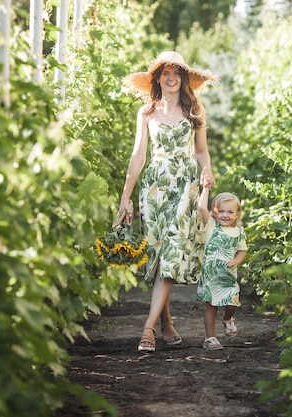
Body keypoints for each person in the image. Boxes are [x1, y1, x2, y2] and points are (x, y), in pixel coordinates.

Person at [113, 51, 218, 352]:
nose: (171, 77)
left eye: (176, 72)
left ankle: (148, 329)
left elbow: (200, 151)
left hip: (184, 186)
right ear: (157, 78)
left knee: (172, 249)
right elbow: (138, 156)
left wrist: (206, 170)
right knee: (159, 256)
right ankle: (167, 322)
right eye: (165, 72)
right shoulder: (146, 113)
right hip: (154, 189)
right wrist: (126, 198)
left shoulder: (194, 109)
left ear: (183, 78)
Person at [197, 187, 247, 350]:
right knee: (211, 307)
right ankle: (210, 338)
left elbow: (242, 250)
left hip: (228, 277)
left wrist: (236, 261)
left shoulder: (238, 231)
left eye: (230, 212)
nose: (225, 215)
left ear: (237, 214)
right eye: (221, 211)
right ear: (215, 212)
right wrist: (205, 189)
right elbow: (201, 208)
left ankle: (227, 319)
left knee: (233, 304)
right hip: (211, 277)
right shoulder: (211, 226)